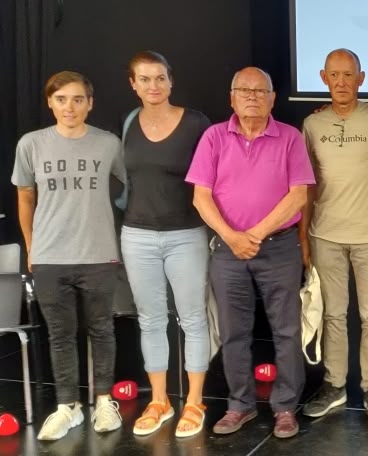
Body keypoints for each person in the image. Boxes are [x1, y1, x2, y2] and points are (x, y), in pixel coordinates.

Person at [185, 67, 315, 439]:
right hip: (228, 250)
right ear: (231, 98)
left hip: (278, 248)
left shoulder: (289, 138)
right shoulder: (213, 138)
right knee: (233, 332)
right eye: (244, 90)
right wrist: (232, 236)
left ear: (273, 98)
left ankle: (286, 407)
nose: (252, 96)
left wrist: (253, 234)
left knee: (287, 331)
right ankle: (239, 405)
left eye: (261, 91)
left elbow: (298, 195)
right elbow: (201, 196)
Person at [12, 71, 126, 440]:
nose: (70, 107)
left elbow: (132, 186)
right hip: (49, 255)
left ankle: (105, 402)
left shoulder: (109, 144)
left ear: (90, 103)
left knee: (102, 329)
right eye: (61, 99)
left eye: (78, 99)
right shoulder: (31, 144)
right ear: (50, 103)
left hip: (98, 254)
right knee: (60, 335)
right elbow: (25, 197)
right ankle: (67, 407)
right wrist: (32, 247)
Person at [118, 50, 213, 438]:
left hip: (186, 234)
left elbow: (212, 178)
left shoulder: (196, 123)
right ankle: (160, 401)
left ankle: (194, 401)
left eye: (160, 78)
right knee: (151, 320)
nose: (153, 86)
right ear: (133, 84)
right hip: (137, 234)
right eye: (145, 79)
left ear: (171, 81)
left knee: (192, 319)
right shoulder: (128, 123)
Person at [300, 48, 368, 424]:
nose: (341, 82)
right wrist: (304, 236)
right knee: (334, 315)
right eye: (334, 75)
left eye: (348, 75)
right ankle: (335, 384)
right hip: (326, 234)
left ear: (361, 78)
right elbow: (304, 185)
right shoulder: (312, 125)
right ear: (324, 78)